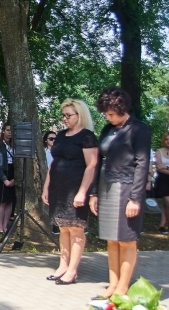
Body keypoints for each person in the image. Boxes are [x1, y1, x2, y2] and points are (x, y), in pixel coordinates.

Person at [89, 87, 151, 298]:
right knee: (111, 239)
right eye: (105, 114)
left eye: (111, 114)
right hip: (106, 186)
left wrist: (135, 198)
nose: (108, 117)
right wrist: (94, 193)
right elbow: (98, 161)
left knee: (126, 238)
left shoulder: (139, 129)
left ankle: (124, 286)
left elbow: (142, 164)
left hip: (127, 187)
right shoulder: (107, 130)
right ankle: (113, 284)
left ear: (121, 108)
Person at [41, 99, 98, 285]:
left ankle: (72, 271)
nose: (64, 118)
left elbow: (91, 166)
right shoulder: (61, 135)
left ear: (79, 115)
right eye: (63, 115)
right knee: (63, 228)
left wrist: (83, 192)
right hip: (59, 187)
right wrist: (46, 186)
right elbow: (53, 163)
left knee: (76, 229)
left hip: (76, 187)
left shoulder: (87, 136)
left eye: (68, 115)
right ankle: (62, 266)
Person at [0, 123, 16, 234]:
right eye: (7, 130)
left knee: (10, 202)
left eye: (11, 130)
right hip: (2, 173)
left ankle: (6, 226)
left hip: (13, 172)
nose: (9, 132)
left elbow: (19, 164)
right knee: (2, 202)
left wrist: (15, 178)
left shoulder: (15, 146)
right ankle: (0, 226)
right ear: (3, 131)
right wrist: (4, 179)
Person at [154, 132, 169, 235]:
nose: (168, 141)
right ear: (163, 140)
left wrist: (166, 167)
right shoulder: (159, 152)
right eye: (166, 139)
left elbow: (163, 167)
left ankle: (162, 226)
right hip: (163, 181)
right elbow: (159, 168)